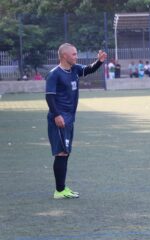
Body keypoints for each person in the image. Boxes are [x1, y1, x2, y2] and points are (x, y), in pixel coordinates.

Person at [45, 43, 107, 199]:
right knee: (61, 153)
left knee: (65, 153)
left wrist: (99, 61)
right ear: (64, 56)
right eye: (73, 54)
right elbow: (49, 96)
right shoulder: (54, 74)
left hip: (69, 118)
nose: (76, 56)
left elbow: (89, 69)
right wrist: (57, 115)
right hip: (59, 119)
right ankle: (59, 191)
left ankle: (62, 189)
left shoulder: (74, 69)